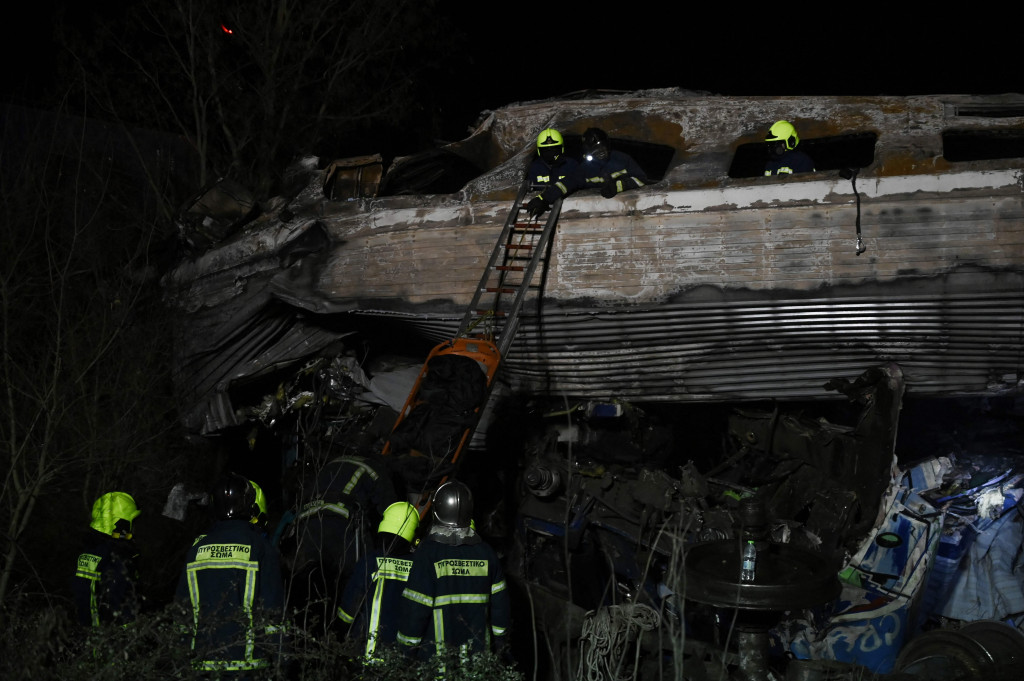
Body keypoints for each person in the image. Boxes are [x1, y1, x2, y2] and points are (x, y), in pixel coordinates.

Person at [176, 474, 284, 676]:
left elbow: (182, 611)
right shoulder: (260, 547)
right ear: (249, 505)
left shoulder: (197, 548)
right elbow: (272, 613)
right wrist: (282, 662)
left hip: (201, 665)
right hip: (248, 666)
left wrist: (179, 659)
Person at [396, 481, 510, 660]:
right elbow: (500, 609)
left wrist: (405, 652)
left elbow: (415, 609)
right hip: (478, 663)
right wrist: (501, 645)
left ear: (437, 512)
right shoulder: (487, 553)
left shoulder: (428, 553)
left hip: (437, 663)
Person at [290, 453, 397, 632]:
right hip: (343, 526)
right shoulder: (376, 470)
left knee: (310, 588)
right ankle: (342, 635)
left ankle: (307, 637)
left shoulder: (330, 462)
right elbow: (391, 511)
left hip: (307, 525)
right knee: (353, 581)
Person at [338, 501, 420, 658]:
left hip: (366, 659)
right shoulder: (419, 567)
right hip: (403, 662)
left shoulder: (369, 562)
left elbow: (347, 614)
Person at [527, 127, 647, 217]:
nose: (600, 150)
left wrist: (618, 186)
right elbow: (566, 183)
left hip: (629, 213)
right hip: (598, 216)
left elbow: (641, 179)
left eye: (602, 145)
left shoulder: (622, 159)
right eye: (594, 148)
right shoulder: (586, 169)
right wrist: (543, 199)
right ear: (587, 151)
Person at [72, 491, 142, 627]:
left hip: (89, 637)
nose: (133, 529)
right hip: (111, 639)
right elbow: (121, 604)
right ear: (119, 523)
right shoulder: (115, 557)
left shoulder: (90, 550)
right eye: (131, 522)